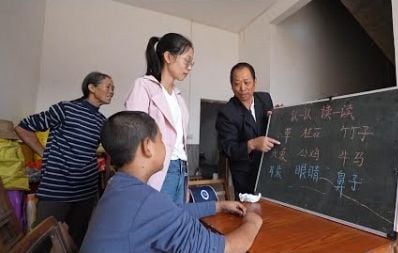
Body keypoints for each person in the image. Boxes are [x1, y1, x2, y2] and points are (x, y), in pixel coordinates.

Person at [80, 111, 262, 253]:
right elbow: (226, 248)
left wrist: (219, 206)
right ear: (147, 146)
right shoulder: (144, 201)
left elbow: (171, 211)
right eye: (161, 139)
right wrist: (253, 221)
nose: (165, 146)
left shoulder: (118, 186)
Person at [15, 71, 114, 248]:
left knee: (77, 239)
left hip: (85, 190)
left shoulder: (102, 121)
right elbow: (23, 127)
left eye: (113, 88)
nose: (112, 91)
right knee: (42, 239)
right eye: (108, 86)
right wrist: (43, 153)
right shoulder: (65, 109)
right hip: (57, 187)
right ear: (91, 87)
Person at [125, 33, 192, 205]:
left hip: (181, 168)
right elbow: (133, 132)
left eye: (192, 63)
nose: (189, 67)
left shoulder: (179, 97)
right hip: (159, 168)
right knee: (157, 221)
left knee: (176, 219)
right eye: (187, 61)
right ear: (168, 57)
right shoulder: (144, 86)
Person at [216, 62, 280, 197]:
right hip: (245, 175)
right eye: (237, 83)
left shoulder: (265, 99)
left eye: (247, 82)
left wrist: (279, 116)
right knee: (250, 212)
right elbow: (227, 148)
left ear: (255, 82)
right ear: (231, 85)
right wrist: (252, 144)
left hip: (268, 168)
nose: (242, 88)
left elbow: (270, 128)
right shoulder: (227, 112)